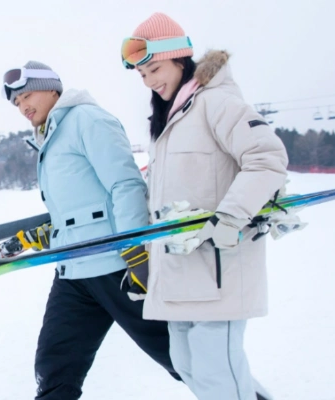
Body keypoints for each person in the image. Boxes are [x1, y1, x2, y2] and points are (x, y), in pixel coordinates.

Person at [118, 12, 290, 400]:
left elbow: (267, 158)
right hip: (177, 274)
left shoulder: (217, 103)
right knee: (187, 365)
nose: (149, 81)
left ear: (180, 59)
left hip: (218, 270)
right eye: (142, 75)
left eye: (154, 69)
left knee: (217, 373)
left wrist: (230, 217)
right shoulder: (168, 121)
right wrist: (147, 261)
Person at [0, 61, 182, 399]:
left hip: (116, 267)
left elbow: (125, 185)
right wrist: (52, 233)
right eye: (17, 103)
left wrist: (135, 249)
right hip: (73, 273)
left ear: (52, 88)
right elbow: (79, 206)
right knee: (55, 368)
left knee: (181, 357)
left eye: (27, 96)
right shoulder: (50, 138)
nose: (23, 107)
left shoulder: (88, 120)